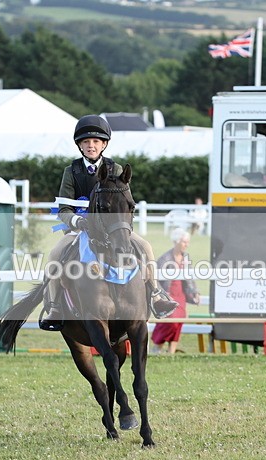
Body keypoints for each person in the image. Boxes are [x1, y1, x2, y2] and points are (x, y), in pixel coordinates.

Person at [39, 115, 178, 331]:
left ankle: (156, 294)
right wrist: (77, 221)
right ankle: (55, 306)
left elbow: (126, 203)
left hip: (114, 229)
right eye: (86, 142)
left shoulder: (117, 169)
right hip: (80, 228)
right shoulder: (71, 172)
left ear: (104, 144)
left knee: (146, 247)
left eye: (96, 141)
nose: (91, 145)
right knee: (56, 254)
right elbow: (64, 209)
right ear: (80, 146)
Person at [151, 228, 201, 354]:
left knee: (179, 322)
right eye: (184, 242)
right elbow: (155, 278)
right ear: (177, 241)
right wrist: (162, 294)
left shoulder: (185, 258)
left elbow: (190, 279)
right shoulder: (165, 258)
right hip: (168, 295)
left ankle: (171, 351)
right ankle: (157, 345)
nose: (186, 244)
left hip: (181, 295)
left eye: (187, 242)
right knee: (170, 322)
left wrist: (195, 292)